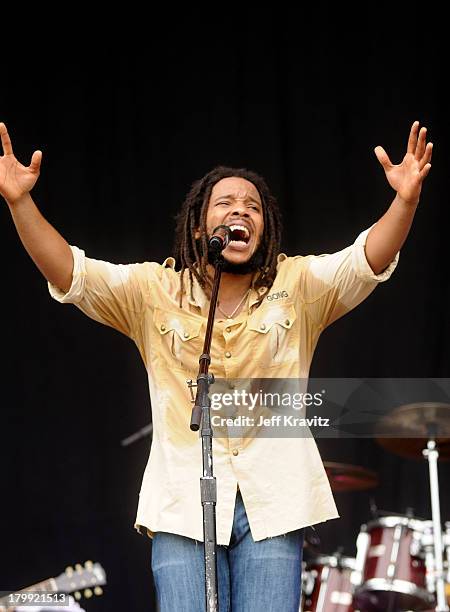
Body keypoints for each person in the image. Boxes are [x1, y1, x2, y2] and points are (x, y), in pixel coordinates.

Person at [0, 120, 432, 612]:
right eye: (226, 204)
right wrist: (20, 202)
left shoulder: (299, 288)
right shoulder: (153, 294)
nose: (241, 211)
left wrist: (405, 202)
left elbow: (365, 261)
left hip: (273, 505)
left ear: (264, 228)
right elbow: (72, 273)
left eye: (253, 207)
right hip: (183, 503)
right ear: (201, 226)